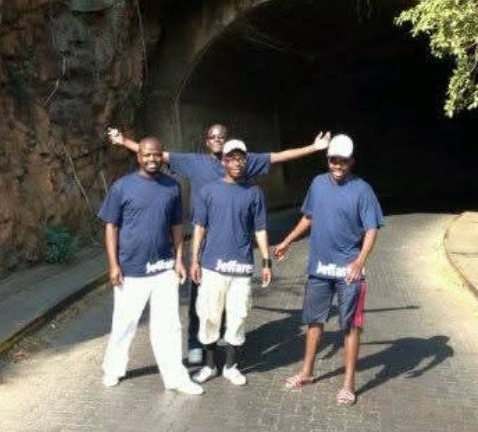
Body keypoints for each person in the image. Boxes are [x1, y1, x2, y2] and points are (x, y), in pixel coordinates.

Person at [108, 124, 331, 365]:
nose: (216, 140)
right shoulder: (193, 162)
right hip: (205, 240)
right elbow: (155, 154)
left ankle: (222, 340)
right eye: (212, 137)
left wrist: (313, 148)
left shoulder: (242, 161)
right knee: (199, 297)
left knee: (228, 297)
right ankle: (196, 343)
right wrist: (123, 141)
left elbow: (278, 156)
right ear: (206, 141)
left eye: (221, 137)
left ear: (227, 141)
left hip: (232, 241)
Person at [273, 134, 383, 405]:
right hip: (319, 269)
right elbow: (309, 217)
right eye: (333, 160)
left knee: (351, 325)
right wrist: (287, 240)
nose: (337, 165)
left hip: (349, 272)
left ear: (351, 161)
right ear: (328, 160)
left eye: (343, 161)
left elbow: (371, 229)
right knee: (314, 321)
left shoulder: (363, 190)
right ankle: (307, 372)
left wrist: (359, 262)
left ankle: (348, 385)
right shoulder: (318, 184)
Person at [98, 136, 203, 395]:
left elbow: (177, 225)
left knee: (169, 325)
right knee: (124, 323)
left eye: (156, 154)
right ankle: (113, 369)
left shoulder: (172, 186)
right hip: (131, 269)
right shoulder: (122, 187)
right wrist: (113, 265)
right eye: (146, 154)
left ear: (161, 155)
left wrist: (179, 259)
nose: (152, 159)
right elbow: (111, 226)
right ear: (139, 157)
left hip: (164, 268)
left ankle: (176, 377)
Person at [190, 139, 272, 386]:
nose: (237, 162)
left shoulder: (254, 192)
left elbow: (260, 229)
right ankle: (209, 365)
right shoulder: (208, 191)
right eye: (232, 158)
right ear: (224, 161)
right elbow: (199, 227)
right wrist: (194, 260)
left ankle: (231, 366)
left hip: (241, 268)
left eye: (241, 158)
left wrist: (266, 261)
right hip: (212, 267)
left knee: (238, 316)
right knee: (209, 316)